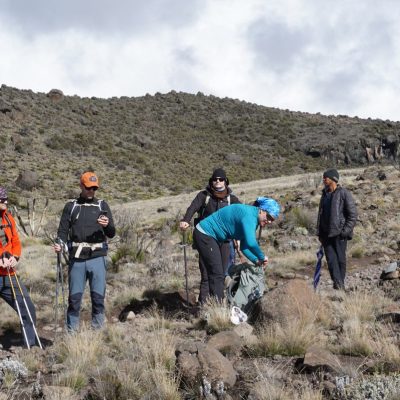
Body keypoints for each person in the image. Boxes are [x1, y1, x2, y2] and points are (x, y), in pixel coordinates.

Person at [54, 172, 115, 331]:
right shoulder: (71, 206)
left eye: (94, 188)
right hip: (77, 259)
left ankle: (97, 332)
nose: (91, 191)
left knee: (98, 298)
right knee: (74, 299)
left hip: (98, 257)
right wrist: (59, 243)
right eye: (88, 188)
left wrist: (107, 224)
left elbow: (111, 233)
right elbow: (62, 231)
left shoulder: (102, 205)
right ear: (81, 186)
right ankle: (71, 335)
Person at [193, 197, 280, 302]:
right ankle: (217, 306)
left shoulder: (254, 220)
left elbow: (244, 246)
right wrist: (262, 257)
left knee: (217, 273)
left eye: (272, 220)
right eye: (269, 217)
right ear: (261, 210)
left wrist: (256, 261)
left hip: (211, 237)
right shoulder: (249, 216)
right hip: (205, 234)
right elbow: (251, 242)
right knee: (217, 273)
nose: (270, 221)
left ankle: (213, 303)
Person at [180, 168, 240, 304]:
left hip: (225, 241)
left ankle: (217, 303)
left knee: (221, 273)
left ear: (226, 181)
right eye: (215, 179)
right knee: (207, 273)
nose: (217, 181)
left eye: (221, 179)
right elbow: (192, 208)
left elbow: (241, 214)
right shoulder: (204, 196)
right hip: (206, 240)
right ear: (211, 181)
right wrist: (185, 220)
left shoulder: (231, 199)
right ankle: (204, 304)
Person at [0, 186, 38, 347]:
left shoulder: (8, 218)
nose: (6, 201)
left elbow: (15, 241)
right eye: (2, 200)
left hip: (8, 273)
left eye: (6, 198)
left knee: (27, 307)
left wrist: (15, 257)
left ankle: (29, 346)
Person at [317, 168, 357, 290]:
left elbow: (353, 215)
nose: (324, 179)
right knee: (330, 260)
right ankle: (338, 285)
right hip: (326, 234)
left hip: (339, 234)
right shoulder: (324, 194)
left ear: (333, 179)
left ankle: (340, 284)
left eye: (326, 177)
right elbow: (320, 214)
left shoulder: (343, 193)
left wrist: (345, 232)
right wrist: (319, 232)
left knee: (340, 259)